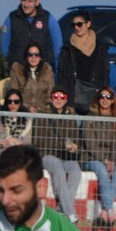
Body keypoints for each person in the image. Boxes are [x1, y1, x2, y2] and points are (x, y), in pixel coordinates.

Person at [32, 85, 81, 223]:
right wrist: (63, 146)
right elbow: (40, 141)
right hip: (47, 154)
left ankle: (61, 209)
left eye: (62, 97)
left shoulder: (70, 116)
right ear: (51, 98)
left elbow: (75, 137)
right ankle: (70, 212)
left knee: (76, 169)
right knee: (58, 169)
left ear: (66, 100)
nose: (58, 99)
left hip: (65, 155)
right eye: (55, 96)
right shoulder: (43, 114)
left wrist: (74, 146)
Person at [81, 86, 116, 231]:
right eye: (102, 96)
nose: (105, 100)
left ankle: (105, 212)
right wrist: (104, 160)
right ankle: (110, 209)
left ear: (113, 101)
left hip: (113, 157)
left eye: (108, 97)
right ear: (97, 99)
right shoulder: (90, 118)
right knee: (101, 170)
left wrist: (112, 161)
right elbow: (90, 143)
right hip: (92, 156)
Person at [57, 11, 110, 115]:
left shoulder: (100, 47)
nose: (76, 27)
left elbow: (105, 73)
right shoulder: (67, 48)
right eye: (73, 25)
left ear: (88, 24)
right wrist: (63, 95)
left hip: (94, 95)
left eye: (80, 24)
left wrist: (103, 93)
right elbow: (61, 74)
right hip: (73, 96)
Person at [0, 0, 62, 70]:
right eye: (24, 0)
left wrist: (47, 63)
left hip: (43, 71)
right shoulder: (11, 19)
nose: (26, 5)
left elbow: (58, 46)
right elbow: (4, 47)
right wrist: (14, 62)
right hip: (19, 71)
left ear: (37, 2)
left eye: (30, 1)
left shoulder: (48, 18)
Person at [0, 88, 32, 165]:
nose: (12, 104)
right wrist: (0, 142)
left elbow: (28, 143)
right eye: (9, 101)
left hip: (20, 155)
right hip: (0, 154)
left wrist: (17, 142)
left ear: (20, 103)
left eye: (16, 102)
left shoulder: (26, 120)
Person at [10, 42, 55, 112]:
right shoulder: (17, 70)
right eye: (30, 54)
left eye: (37, 54)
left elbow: (50, 93)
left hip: (42, 111)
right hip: (22, 110)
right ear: (26, 56)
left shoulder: (47, 70)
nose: (33, 57)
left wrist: (40, 109)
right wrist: (27, 108)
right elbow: (14, 94)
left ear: (40, 57)